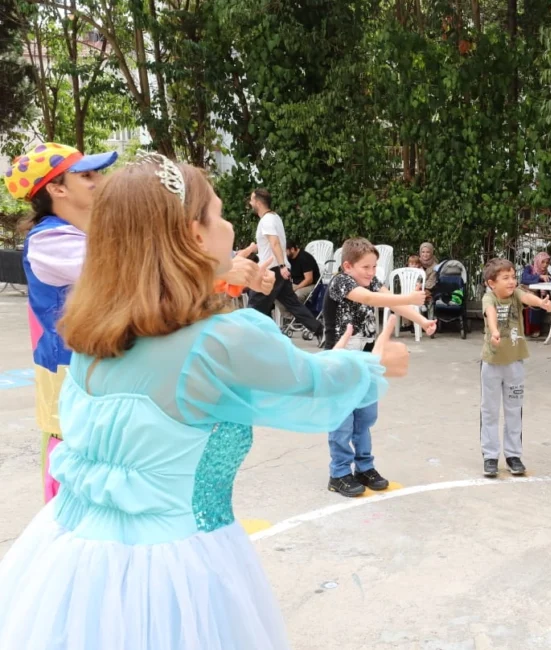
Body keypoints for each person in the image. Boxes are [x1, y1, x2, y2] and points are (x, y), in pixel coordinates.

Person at [0, 153, 409, 649]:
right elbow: (308, 382)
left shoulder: (92, 335)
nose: (232, 224)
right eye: (217, 213)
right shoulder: (219, 340)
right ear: (193, 236)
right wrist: (375, 363)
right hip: (174, 572)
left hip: (68, 565)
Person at [5, 143, 118, 504]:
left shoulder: (87, 235)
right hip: (70, 394)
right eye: (86, 176)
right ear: (57, 189)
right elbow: (128, 272)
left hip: (99, 384)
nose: (99, 182)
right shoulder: (50, 241)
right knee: (74, 513)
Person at [322, 237, 435, 497]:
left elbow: (391, 301)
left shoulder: (370, 281)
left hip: (367, 361)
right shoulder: (341, 282)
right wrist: (410, 295)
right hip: (340, 363)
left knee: (364, 418)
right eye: (366, 267)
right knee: (342, 421)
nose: (372, 273)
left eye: (374, 267)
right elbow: (371, 299)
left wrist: (422, 320)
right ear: (348, 266)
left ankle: (364, 467)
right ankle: (338, 473)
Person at [480, 258, 551, 478]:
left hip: (515, 364)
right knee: (490, 411)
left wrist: (541, 303)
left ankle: (513, 455)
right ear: (492, 283)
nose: (511, 281)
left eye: (513, 276)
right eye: (506, 278)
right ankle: (490, 456)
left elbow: (527, 296)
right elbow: (490, 312)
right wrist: (493, 331)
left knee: (514, 410)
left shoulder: (516, 295)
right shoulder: (488, 297)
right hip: (491, 364)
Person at [246, 188, 323, 336]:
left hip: (272, 269)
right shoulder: (275, 217)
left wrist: (281, 266)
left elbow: (275, 243)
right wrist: (253, 248)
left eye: (251, 199)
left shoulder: (266, 220)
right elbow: (271, 244)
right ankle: (320, 330)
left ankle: (255, 337)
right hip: (278, 268)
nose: (250, 203)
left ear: (258, 202)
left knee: (254, 305)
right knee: (292, 304)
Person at [520, 251, 551, 336]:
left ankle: (535, 329)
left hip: (538, 296)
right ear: (537, 261)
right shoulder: (529, 268)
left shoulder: (547, 274)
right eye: (542, 262)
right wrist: (539, 277)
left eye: (547, 262)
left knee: (541, 302)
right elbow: (524, 279)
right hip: (525, 294)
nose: (545, 265)